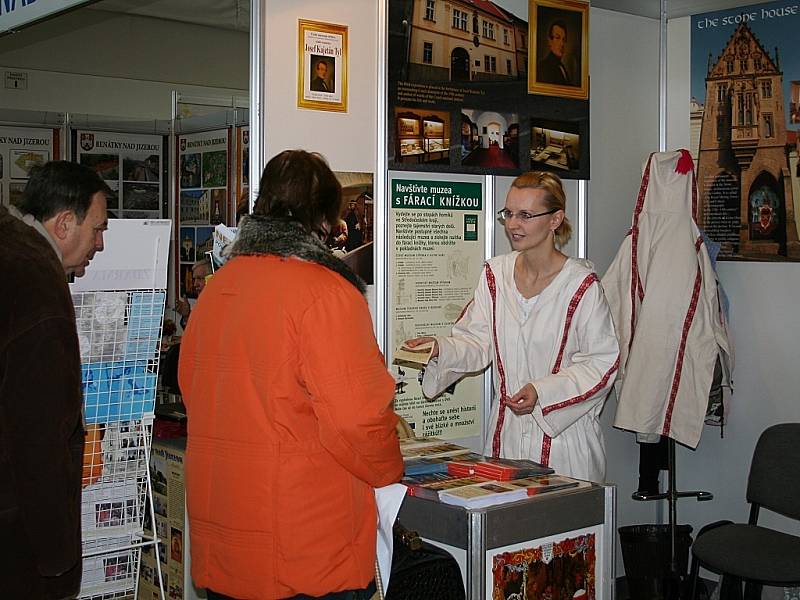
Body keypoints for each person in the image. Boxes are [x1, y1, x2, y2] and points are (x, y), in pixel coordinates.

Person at [178, 150, 403, 599]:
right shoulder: (326, 293)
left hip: (223, 532)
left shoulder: (220, 287)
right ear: (323, 218)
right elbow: (357, 418)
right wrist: (390, 469)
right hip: (304, 545)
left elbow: (195, 391)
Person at [405, 172, 619, 482]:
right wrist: (441, 347)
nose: (513, 224)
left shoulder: (581, 286)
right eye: (508, 213)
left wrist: (542, 391)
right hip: (507, 435)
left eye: (526, 215)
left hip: (565, 444)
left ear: (555, 219)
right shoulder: (496, 275)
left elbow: (603, 361)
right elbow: (476, 341)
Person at [0, 160, 109, 599]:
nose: (100, 244)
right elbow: (39, 438)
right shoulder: (37, 289)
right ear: (64, 223)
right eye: (98, 229)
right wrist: (58, 559)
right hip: (17, 544)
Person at [175, 257, 212, 330]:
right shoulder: (201, 304)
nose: (195, 284)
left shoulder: (219, 304)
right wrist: (186, 316)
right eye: (194, 279)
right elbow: (194, 333)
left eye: (199, 278)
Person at [537, 20, 572, 86]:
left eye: (564, 40)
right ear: (550, 41)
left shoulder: (561, 66)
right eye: (557, 38)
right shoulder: (543, 67)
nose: (562, 44)